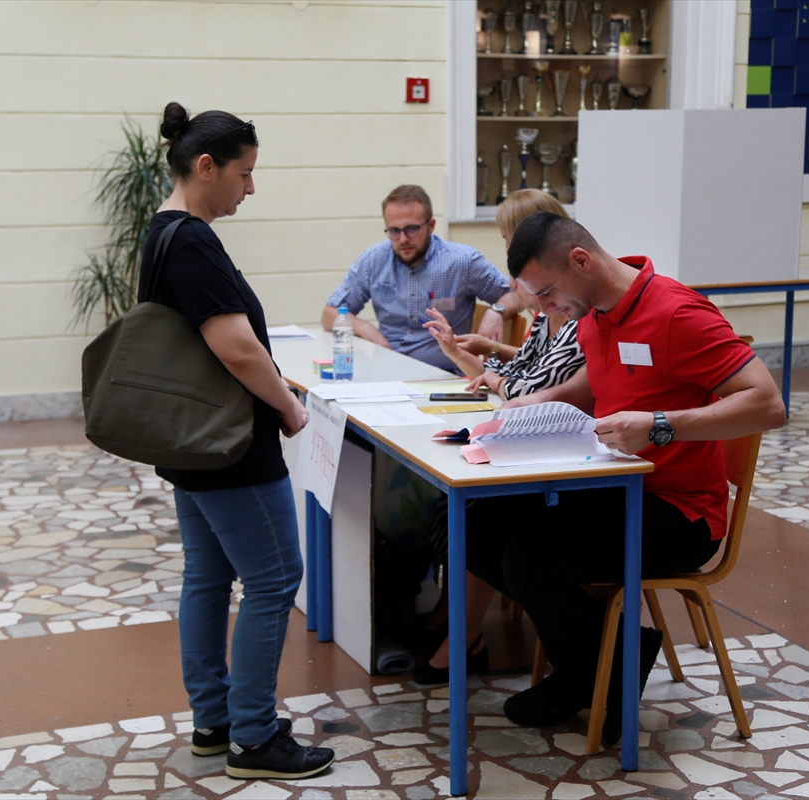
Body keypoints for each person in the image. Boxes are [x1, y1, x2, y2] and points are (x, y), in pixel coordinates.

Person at [464, 212, 785, 742]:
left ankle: (591, 678)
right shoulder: (595, 314)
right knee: (478, 529)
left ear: (581, 260)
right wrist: (530, 405)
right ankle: (605, 666)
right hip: (616, 489)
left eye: (546, 294)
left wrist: (660, 426)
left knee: (531, 559)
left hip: (679, 515)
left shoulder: (678, 312)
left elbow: (768, 405)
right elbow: (592, 385)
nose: (544, 311)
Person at [139, 103, 333, 781]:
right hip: (229, 449)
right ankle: (254, 738)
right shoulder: (191, 240)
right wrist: (286, 408)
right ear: (205, 167)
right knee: (276, 577)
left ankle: (214, 720)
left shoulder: (160, 234)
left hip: (191, 446)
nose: (250, 188)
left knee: (209, 578)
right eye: (244, 174)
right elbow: (235, 346)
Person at [411, 190, 586, 686]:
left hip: (559, 460)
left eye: (509, 240)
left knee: (476, 509)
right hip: (535, 442)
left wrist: (486, 366)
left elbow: (530, 387)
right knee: (457, 502)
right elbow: (522, 378)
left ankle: (464, 635)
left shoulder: (571, 312)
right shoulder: (544, 310)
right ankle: (458, 624)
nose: (506, 257)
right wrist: (473, 357)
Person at [321, 184, 524, 372]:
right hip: (389, 371)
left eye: (412, 229)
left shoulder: (462, 261)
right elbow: (329, 314)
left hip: (445, 376)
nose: (403, 239)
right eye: (394, 231)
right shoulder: (373, 261)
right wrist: (364, 328)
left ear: (431, 225)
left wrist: (495, 311)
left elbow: (516, 295)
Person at [423, 190, 585, 400]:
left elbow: (527, 387)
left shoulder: (576, 313)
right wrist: (455, 351)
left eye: (506, 238)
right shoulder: (546, 315)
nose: (507, 248)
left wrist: (494, 367)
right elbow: (516, 372)